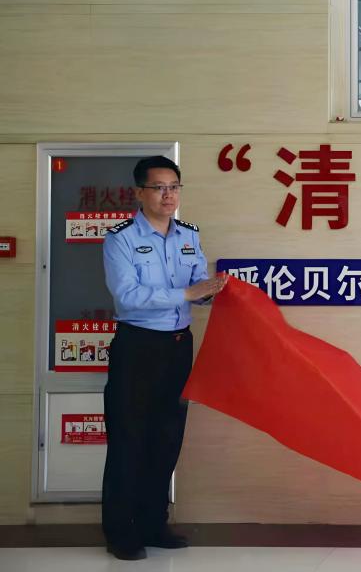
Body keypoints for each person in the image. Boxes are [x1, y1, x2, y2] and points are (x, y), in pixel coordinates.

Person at [101, 156, 227, 560]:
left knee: (166, 437)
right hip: (138, 347)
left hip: (177, 347)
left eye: (174, 187)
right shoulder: (120, 239)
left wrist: (211, 292)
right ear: (139, 193)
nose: (168, 195)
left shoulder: (189, 235)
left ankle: (153, 523)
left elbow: (196, 288)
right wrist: (188, 294)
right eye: (158, 188)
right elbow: (128, 296)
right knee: (129, 439)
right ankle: (121, 531)